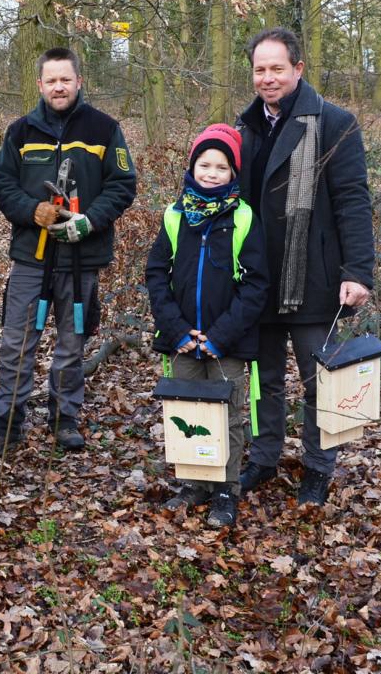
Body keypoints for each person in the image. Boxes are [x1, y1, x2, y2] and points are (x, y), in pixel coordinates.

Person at [0, 47, 136, 458]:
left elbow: (122, 184)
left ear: (79, 81)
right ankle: (5, 422)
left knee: (71, 343)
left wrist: (91, 220)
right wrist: (33, 211)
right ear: (40, 85)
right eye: (51, 80)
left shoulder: (104, 129)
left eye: (66, 79)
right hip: (32, 256)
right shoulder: (21, 132)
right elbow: (3, 183)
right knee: (17, 342)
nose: (59, 87)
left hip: (83, 259)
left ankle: (64, 417)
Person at [235, 27, 375, 505]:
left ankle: (318, 467)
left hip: (313, 278)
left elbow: (353, 202)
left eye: (277, 68)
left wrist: (357, 271)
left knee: (321, 381)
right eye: (260, 69)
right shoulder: (244, 126)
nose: (268, 78)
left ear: (298, 69)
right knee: (264, 379)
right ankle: (265, 457)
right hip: (259, 277)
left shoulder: (336, 123)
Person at [145, 124, 268, 527]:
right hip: (182, 341)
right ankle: (193, 484)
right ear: (192, 166)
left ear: (233, 173)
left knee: (227, 417)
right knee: (187, 411)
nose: (211, 173)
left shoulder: (244, 218)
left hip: (226, 344)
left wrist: (219, 336)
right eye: (204, 164)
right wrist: (177, 329)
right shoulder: (176, 215)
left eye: (221, 166)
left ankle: (225, 491)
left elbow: (255, 286)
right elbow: (156, 274)